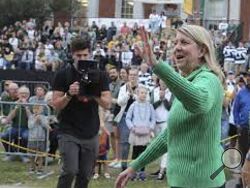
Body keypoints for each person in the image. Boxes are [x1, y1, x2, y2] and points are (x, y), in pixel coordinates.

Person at [115, 25, 226, 188]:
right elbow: (170, 135)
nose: (177, 48)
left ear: (202, 51)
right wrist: (135, 165)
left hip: (202, 184)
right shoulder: (187, 83)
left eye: (184, 42)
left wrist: (156, 65)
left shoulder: (209, 80)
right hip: (180, 182)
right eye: (175, 43)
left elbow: (199, 102)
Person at [52, 35, 111, 188]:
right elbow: (56, 104)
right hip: (68, 130)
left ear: (90, 54)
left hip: (90, 131)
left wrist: (95, 92)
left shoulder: (100, 75)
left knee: (85, 175)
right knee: (70, 170)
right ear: (72, 55)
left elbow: (108, 104)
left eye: (85, 55)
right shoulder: (63, 74)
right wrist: (69, 95)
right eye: (79, 55)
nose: (82, 58)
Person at [125, 85, 156, 181]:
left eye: (145, 93)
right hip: (136, 132)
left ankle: (142, 173)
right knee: (135, 153)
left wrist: (150, 128)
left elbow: (153, 118)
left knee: (144, 153)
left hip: (146, 132)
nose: (144, 95)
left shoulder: (149, 106)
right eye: (142, 93)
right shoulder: (133, 105)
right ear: (137, 94)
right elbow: (128, 118)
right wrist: (132, 128)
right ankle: (133, 173)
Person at [27, 104, 50, 174]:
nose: (36, 110)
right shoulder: (31, 117)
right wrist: (35, 121)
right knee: (31, 154)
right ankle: (32, 167)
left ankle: (40, 168)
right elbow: (30, 126)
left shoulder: (44, 117)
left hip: (41, 138)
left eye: (38, 109)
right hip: (32, 138)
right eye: (35, 109)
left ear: (42, 110)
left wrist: (41, 121)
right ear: (33, 110)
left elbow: (46, 126)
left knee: (41, 154)